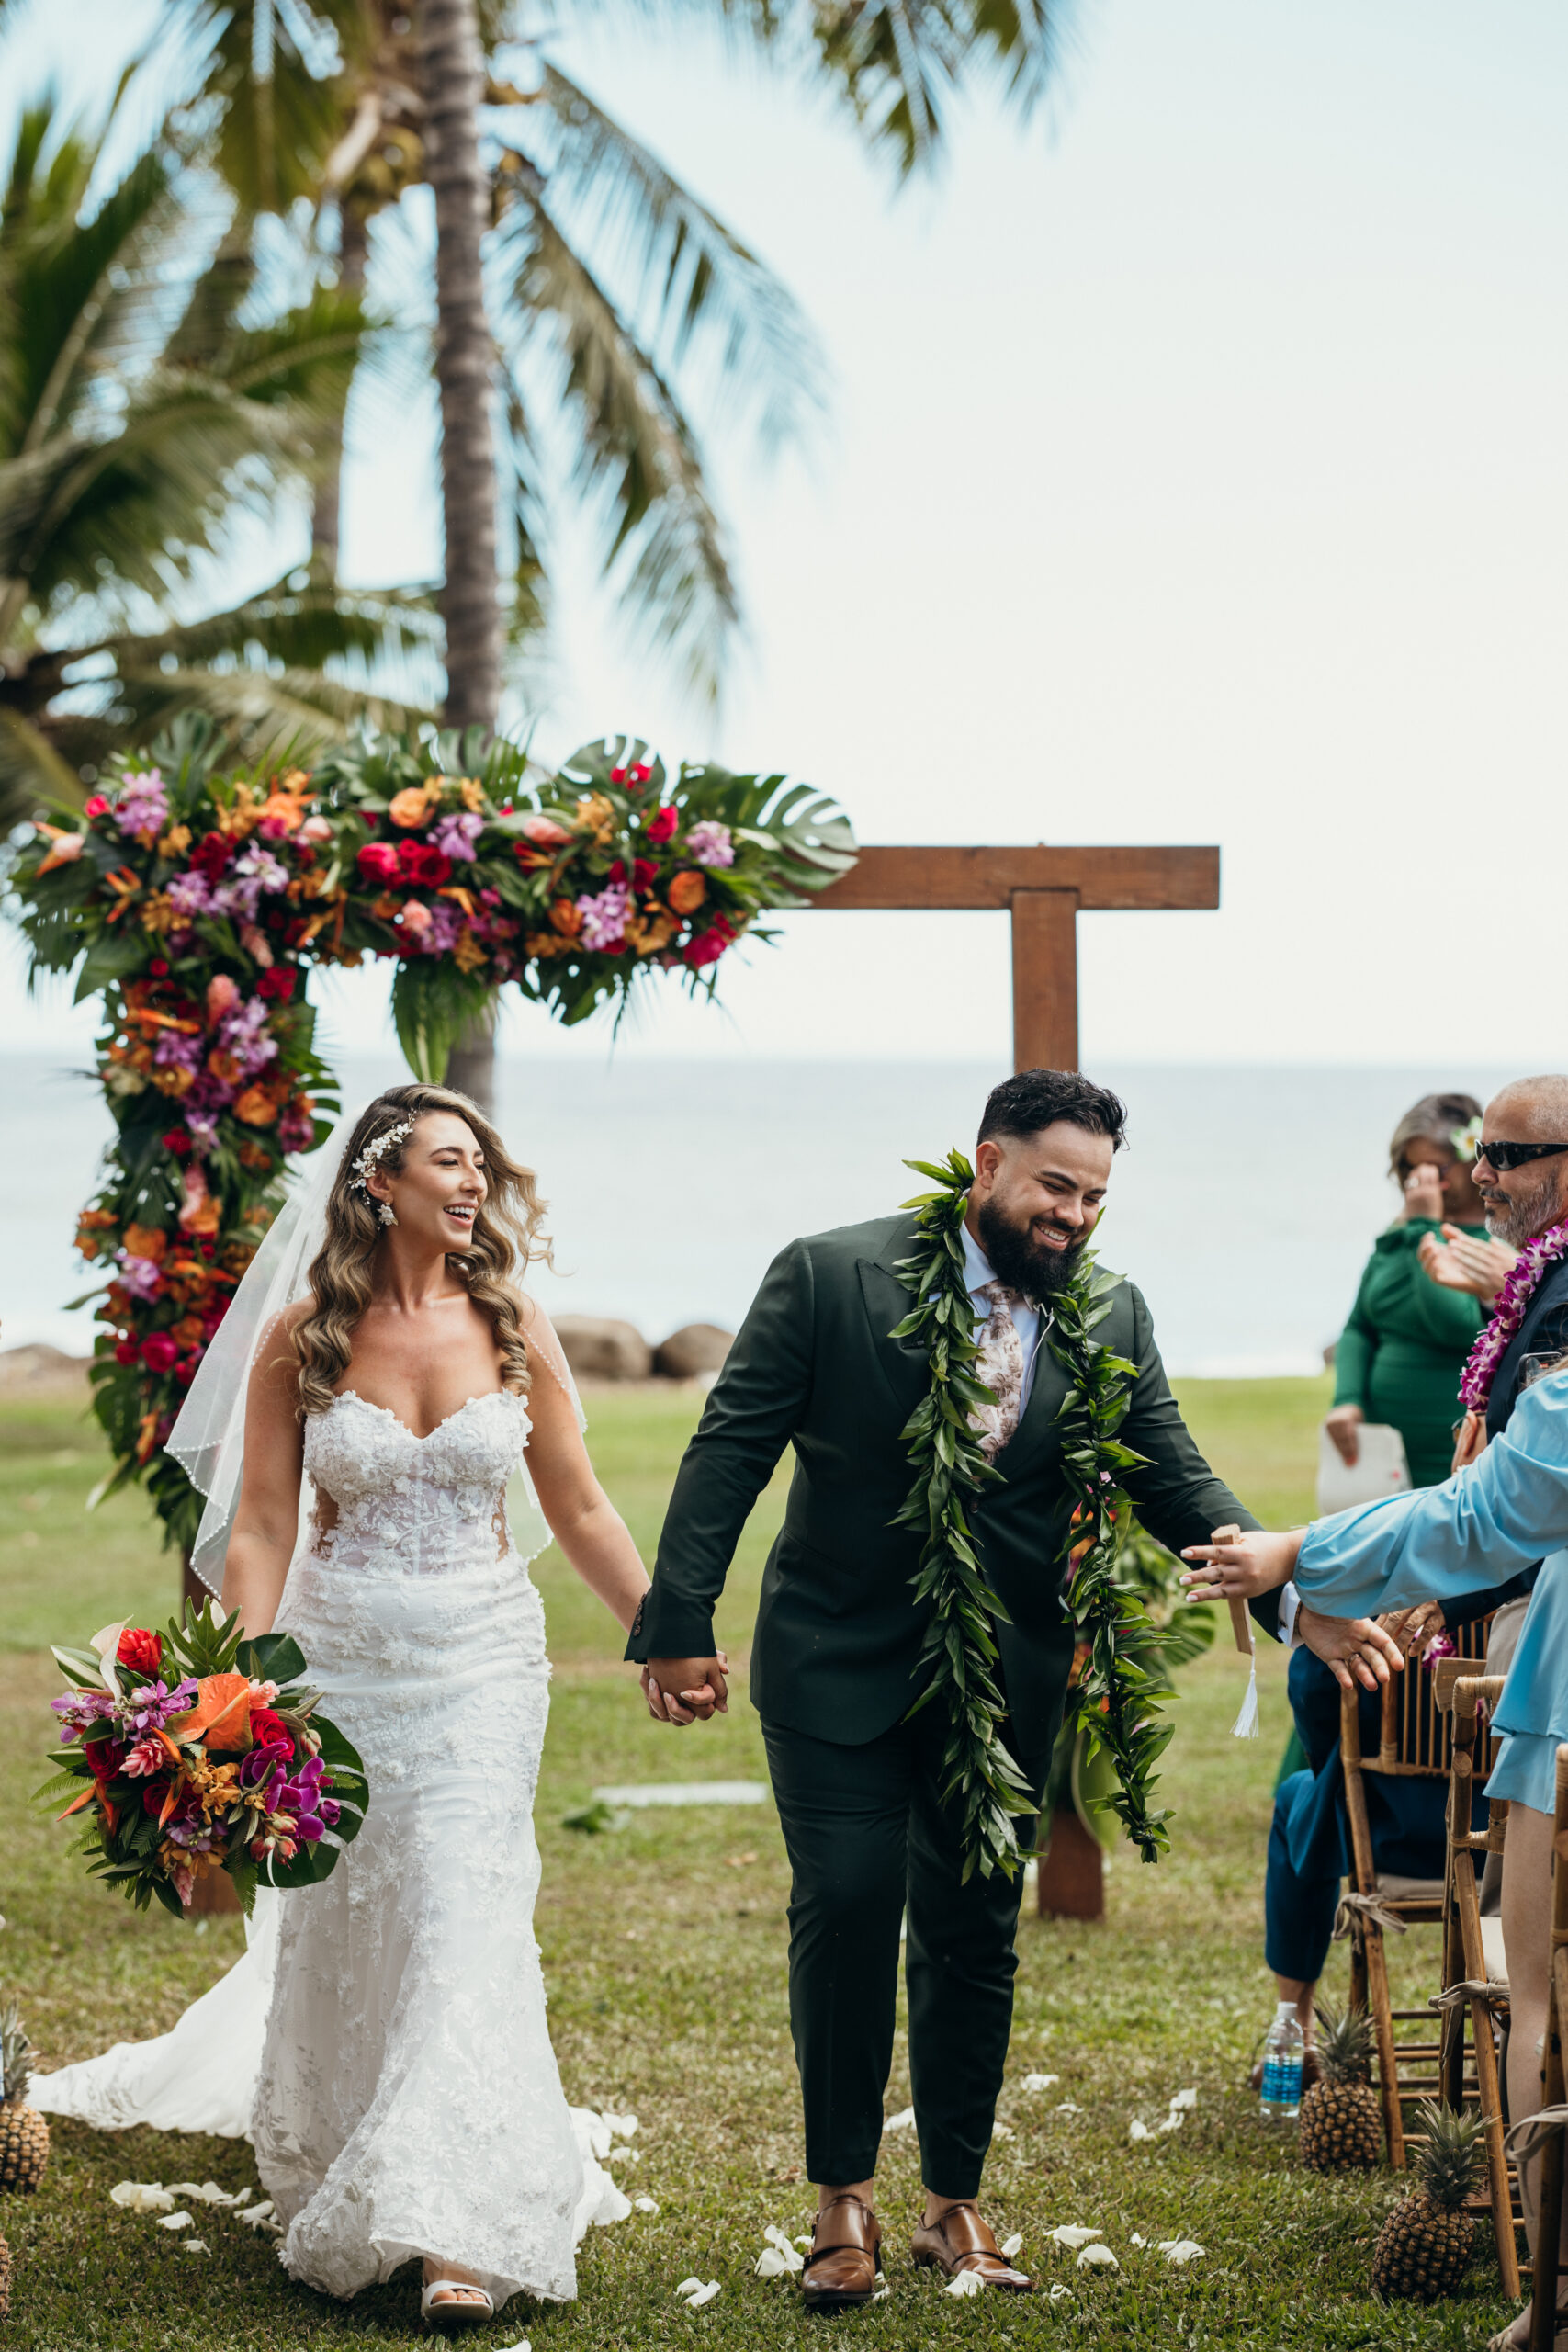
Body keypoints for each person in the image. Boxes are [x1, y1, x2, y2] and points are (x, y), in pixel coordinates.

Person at [626, 1069, 1319, 2309]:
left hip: (1005, 1681)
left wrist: (1287, 1592)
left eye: (1094, 1196)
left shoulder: (1107, 1311)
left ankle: (954, 2197)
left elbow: (1170, 1475)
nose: (1073, 1215)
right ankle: (841, 2195)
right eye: (1055, 1185)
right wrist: (676, 1620)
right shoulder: (830, 1275)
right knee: (843, 1906)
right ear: (987, 1161)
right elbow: (730, 1446)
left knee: (971, 1929)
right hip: (831, 1651)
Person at [35, 1088, 649, 2331]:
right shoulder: (303, 1334)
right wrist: (240, 1679)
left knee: (462, 1903)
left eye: (478, 1160)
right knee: (365, 1915)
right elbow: (261, 1523)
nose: (469, 1183)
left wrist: (664, 1628)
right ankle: (354, 2140)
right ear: (377, 1184)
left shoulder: (509, 1316)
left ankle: (448, 2227)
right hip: (346, 1661)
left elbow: (578, 1506)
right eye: (443, 1162)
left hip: (483, 1661)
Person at [1181, 1372, 1568, 2352]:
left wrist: (1302, 1554)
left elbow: (1479, 1514)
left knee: (1542, 2012)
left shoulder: (1554, 1423)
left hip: (1514, 1771)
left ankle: (1556, 2298)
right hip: (1489, 1779)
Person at [1325, 1091, 1495, 1489]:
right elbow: (1360, 1326)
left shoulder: (1493, 1242)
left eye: (1434, 1167)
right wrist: (1346, 1399)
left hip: (1455, 1456)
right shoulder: (1398, 1237)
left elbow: (1457, 1325)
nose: (1419, 1181)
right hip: (1380, 1458)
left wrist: (1425, 1227)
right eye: (1409, 1167)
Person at [1418, 1072, 1568, 1466]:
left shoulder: (1562, 1304)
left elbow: (1528, 1493)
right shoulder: (1545, 1276)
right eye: (1482, 1150)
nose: (1479, 1172)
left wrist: (1305, 1533)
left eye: (1502, 1155)